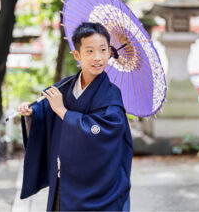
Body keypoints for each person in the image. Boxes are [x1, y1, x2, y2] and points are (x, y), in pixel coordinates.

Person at [18, 21, 133, 211]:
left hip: (98, 187)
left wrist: (63, 112)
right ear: (77, 55)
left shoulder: (112, 94)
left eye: (103, 50)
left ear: (109, 52)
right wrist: (32, 113)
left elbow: (105, 132)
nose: (98, 57)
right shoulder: (65, 86)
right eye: (90, 51)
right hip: (65, 179)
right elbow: (46, 111)